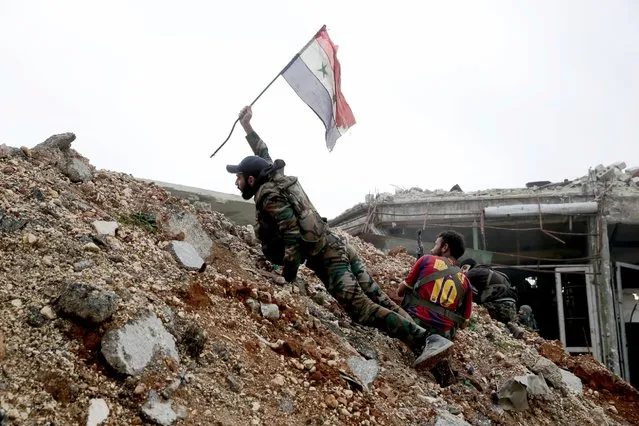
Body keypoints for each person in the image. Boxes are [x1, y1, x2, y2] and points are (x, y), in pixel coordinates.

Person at [226, 106, 450, 370]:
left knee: (361, 309)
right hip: (338, 243)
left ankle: (426, 339)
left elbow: (292, 235)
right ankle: (429, 344)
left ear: (251, 179)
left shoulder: (267, 195)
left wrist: (286, 275)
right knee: (378, 298)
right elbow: (263, 155)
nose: (236, 183)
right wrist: (248, 128)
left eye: (238, 178)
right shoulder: (276, 178)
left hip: (329, 257)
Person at [397, 231, 473, 340]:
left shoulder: (426, 259)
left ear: (444, 247)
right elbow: (464, 324)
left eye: (436, 244)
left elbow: (400, 292)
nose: (433, 249)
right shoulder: (466, 281)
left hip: (414, 324)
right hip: (442, 336)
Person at [460, 259, 525, 338]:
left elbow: (460, 279)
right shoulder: (492, 272)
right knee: (502, 322)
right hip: (512, 307)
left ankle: (505, 328)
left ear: (468, 266)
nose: (462, 271)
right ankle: (510, 327)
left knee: (472, 298)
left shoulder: (475, 271)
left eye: (463, 268)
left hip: (498, 306)